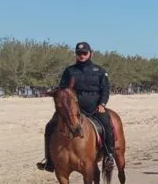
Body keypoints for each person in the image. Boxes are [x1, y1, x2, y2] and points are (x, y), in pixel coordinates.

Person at [36, 41, 115, 172]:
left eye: (84, 53)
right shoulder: (69, 71)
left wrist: (102, 104)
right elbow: (63, 90)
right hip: (72, 108)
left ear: (90, 53)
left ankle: (109, 156)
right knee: (50, 126)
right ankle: (49, 160)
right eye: (79, 53)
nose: (82, 55)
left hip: (95, 106)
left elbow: (105, 89)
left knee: (107, 124)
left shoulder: (100, 71)